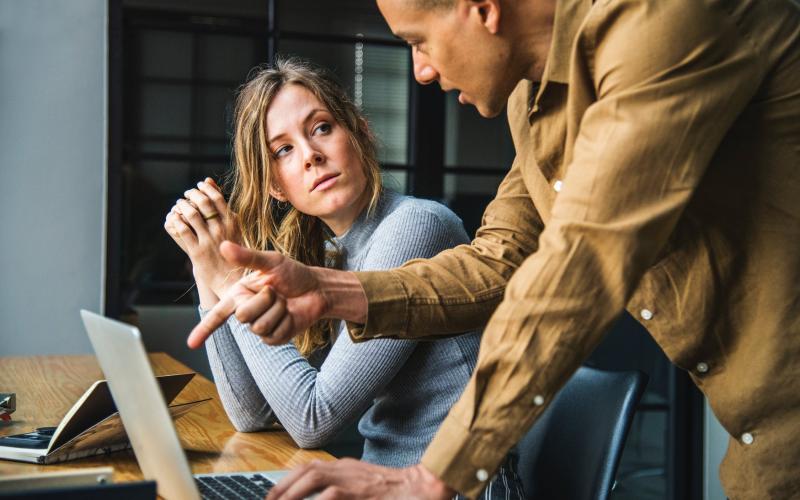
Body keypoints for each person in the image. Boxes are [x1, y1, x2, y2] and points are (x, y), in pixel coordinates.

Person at [190, 0, 800, 498]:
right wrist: (326, 291)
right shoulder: (530, 101)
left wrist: (434, 476)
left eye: (418, 41)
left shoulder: (662, 21)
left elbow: (581, 262)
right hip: (761, 438)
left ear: (480, 9)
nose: (421, 71)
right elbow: (498, 262)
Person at [164, 58, 523, 499]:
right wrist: (208, 268)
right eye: (283, 150)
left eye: (320, 128)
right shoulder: (332, 254)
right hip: (381, 486)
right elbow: (251, 414)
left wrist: (233, 278)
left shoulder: (417, 226)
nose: (311, 155)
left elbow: (312, 418)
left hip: (457, 489)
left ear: (360, 133)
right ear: (277, 186)